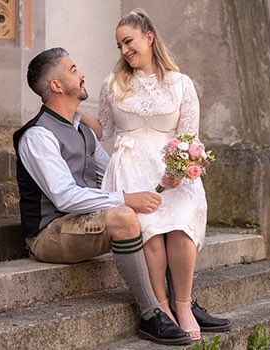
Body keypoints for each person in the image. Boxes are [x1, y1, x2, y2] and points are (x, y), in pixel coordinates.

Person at [13, 47, 193, 345]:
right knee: (124, 215)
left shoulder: (82, 130)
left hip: (80, 222)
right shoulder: (38, 135)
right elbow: (64, 198)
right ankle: (151, 314)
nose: (81, 74)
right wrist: (125, 199)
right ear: (56, 86)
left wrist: (159, 185)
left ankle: (178, 300)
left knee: (157, 213)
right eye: (73, 70)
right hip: (49, 234)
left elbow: (111, 177)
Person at [81, 9, 231, 340]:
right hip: (130, 169)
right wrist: (71, 110)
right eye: (119, 45)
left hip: (173, 173)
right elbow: (104, 129)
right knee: (150, 235)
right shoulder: (113, 83)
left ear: (149, 38)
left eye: (128, 41)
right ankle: (160, 308)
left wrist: (179, 170)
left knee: (179, 231)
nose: (123, 50)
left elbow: (189, 137)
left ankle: (183, 305)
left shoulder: (181, 83)